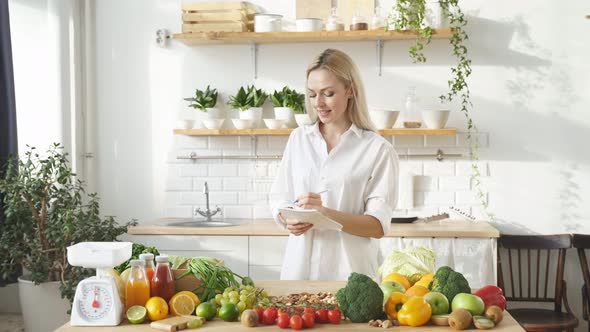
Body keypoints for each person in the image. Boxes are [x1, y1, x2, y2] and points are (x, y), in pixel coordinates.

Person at [269, 49, 399, 280]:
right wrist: (288, 219)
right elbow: (279, 198)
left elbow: (378, 226)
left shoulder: (378, 149)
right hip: (299, 273)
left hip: (351, 276)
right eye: (311, 94)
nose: (318, 103)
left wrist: (324, 214)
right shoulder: (298, 139)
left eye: (328, 93)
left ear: (350, 90)